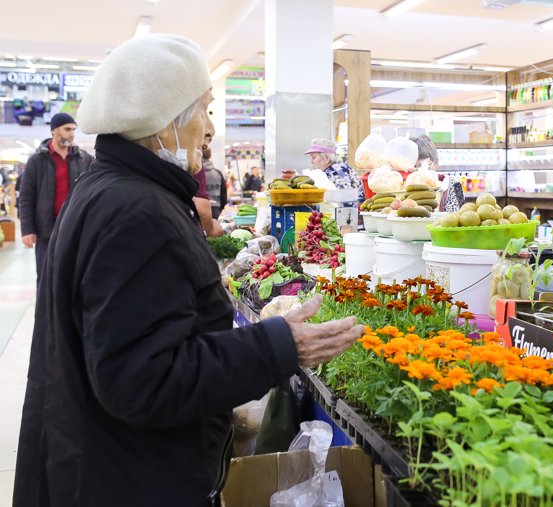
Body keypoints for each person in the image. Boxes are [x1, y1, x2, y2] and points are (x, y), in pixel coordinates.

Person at [13, 34, 363, 507]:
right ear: (162, 122)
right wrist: (279, 345)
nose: (210, 129)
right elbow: (142, 379)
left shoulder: (109, 188)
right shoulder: (135, 213)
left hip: (97, 461)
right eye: (204, 109)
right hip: (131, 480)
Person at [18, 112, 94, 278]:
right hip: (46, 231)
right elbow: (26, 197)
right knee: (47, 279)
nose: (72, 133)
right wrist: (27, 230)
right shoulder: (36, 161)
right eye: (67, 129)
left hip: (75, 229)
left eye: (74, 129)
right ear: (54, 131)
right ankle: (47, 306)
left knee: (73, 279)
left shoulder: (84, 159)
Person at [411, 134, 463, 212]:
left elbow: (457, 215)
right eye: (415, 167)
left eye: (426, 165)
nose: (419, 171)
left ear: (436, 164)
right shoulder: (403, 186)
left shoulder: (454, 185)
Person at [305, 138, 364, 206]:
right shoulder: (345, 168)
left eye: (314, 157)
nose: (311, 162)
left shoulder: (330, 174)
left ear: (326, 158)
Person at [203, 146, 228, 218]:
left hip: (199, 209)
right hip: (215, 209)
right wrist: (221, 208)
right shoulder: (218, 173)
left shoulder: (196, 173)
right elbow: (223, 194)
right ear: (210, 155)